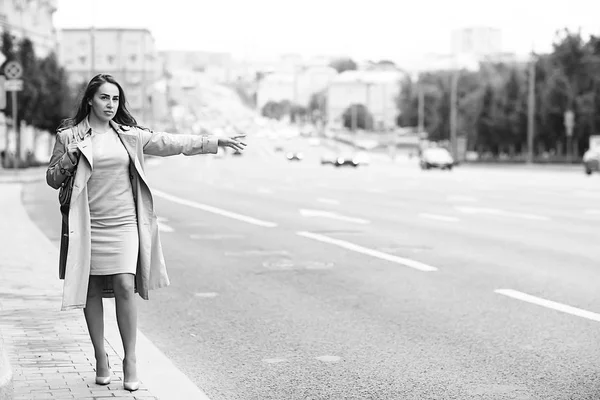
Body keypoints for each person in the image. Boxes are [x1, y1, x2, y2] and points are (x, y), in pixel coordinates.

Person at [46, 73, 246, 391]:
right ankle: (100, 356)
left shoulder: (130, 135)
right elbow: (53, 178)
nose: (110, 104)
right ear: (90, 101)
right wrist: (71, 157)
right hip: (88, 224)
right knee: (92, 290)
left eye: (115, 99)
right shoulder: (70, 137)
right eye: (104, 98)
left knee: (125, 285)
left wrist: (212, 142)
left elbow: (170, 142)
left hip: (125, 222)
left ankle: (130, 359)